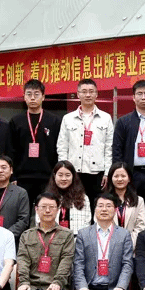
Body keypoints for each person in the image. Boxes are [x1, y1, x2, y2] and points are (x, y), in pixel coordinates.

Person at [57, 78, 114, 208]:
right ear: (78, 94)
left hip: (98, 173)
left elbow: (109, 148)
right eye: (84, 91)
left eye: (91, 91)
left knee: (97, 207)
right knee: (75, 207)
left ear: (96, 94)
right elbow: (62, 146)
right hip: (74, 172)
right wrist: (64, 170)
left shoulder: (106, 118)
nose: (88, 95)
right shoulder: (68, 119)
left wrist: (107, 172)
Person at [10, 79, 62, 216]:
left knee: (46, 213)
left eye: (36, 94)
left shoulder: (54, 120)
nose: (32, 98)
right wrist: (13, 176)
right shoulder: (16, 121)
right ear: (24, 96)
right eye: (29, 94)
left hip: (48, 177)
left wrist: (57, 175)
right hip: (22, 178)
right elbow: (11, 150)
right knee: (23, 215)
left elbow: (59, 149)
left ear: (43, 97)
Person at [112, 80, 145, 208]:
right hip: (131, 174)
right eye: (139, 94)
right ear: (133, 97)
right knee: (131, 208)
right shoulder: (123, 122)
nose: (143, 97)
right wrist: (120, 174)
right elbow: (117, 150)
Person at [44, 160, 92, 233]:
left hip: (77, 237)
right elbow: (40, 222)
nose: (64, 179)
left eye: (67, 175)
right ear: (54, 176)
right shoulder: (46, 198)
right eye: (60, 175)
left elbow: (87, 223)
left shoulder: (83, 198)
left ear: (73, 176)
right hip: (52, 237)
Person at [104, 162, 145, 245]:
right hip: (108, 246)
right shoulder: (104, 200)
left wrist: (129, 245)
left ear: (129, 178)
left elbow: (140, 226)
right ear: (111, 178)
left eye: (123, 176)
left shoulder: (139, 200)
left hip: (132, 245)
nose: (120, 179)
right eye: (116, 176)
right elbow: (100, 224)